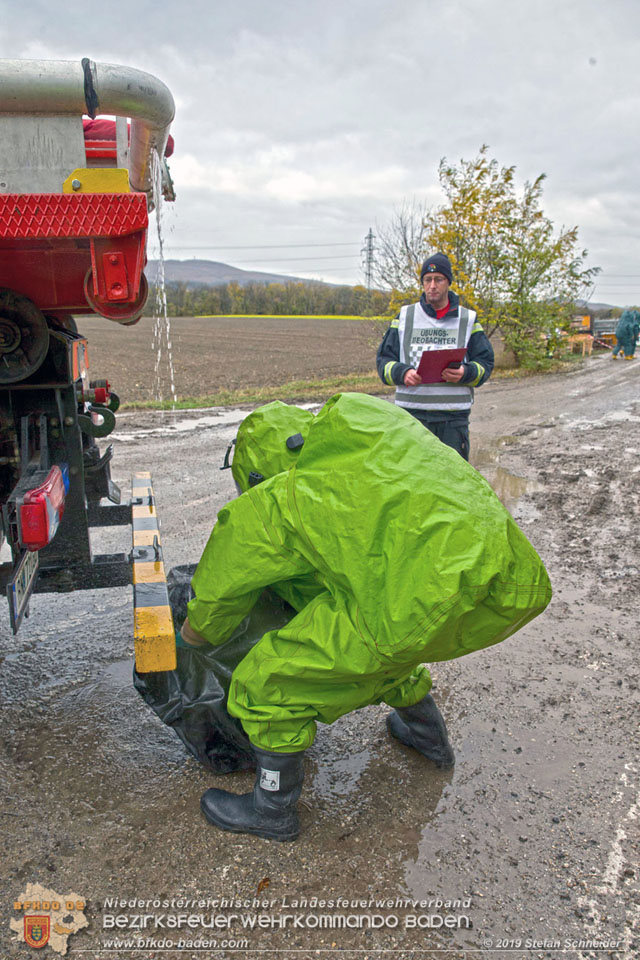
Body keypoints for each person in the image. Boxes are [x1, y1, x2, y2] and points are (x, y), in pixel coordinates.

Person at [179, 393, 552, 842]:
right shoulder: (368, 443)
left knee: (268, 680)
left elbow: (218, 597)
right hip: (512, 585)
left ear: (252, 473)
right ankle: (426, 735)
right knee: (377, 646)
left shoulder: (279, 498)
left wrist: (194, 635)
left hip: (417, 601)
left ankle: (271, 809)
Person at [376, 252, 494, 460]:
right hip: (411, 416)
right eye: (427, 280)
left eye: (438, 279)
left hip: (453, 420)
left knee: (452, 482)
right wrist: (402, 373)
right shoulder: (404, 317)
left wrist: (466, 372)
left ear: (448, 282)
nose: (432, 285)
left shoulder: (467, 319)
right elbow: (383, 362)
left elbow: (485, 363)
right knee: (411, 481)